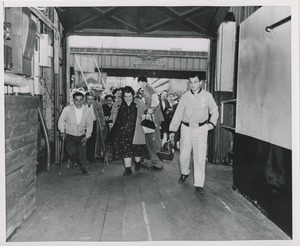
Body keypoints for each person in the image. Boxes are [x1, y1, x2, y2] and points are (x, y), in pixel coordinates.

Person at [169, 74, 219, 194]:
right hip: (186, 128)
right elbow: (178, 114)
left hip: (200, 129)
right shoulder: (185, 97)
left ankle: (199, 183)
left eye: (195, 82)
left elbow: (215, 111)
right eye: (191, 82)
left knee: (199, 156)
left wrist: (211, 124)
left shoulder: (207, 96)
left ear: (200, 82)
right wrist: (172, 130)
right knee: (184, 155)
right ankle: (184, 172)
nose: (193, 85)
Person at [108, 86, 150, 176]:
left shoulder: (139, 103)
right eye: (125, 96)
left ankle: (138, 163)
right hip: (122, 131)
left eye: (129, 96)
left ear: (133, 95)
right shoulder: (117, 104)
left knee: (137, 151)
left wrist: (148, 108)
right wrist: (111, 122)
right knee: (125, 150)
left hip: (136, 131)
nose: (127, 98)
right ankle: (128, 169)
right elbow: (113, 114)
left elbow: (146, 112)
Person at [58, 91, 94, 175]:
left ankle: (84, 169)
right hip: (69, 135)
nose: (79, 102)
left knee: (82, 154)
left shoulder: (87, 111)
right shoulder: (67, 109)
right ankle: (75, 161)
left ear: (83, 100)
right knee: (72, 152)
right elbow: (61, 121)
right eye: (76, 100)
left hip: (81, 135)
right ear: (73, 100)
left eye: (81, 100)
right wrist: (62, 131)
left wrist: (87, 136)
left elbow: (90, 124)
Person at [137, 75, 164, 170]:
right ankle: (152, 162)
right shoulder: (149, 89)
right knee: (150, 140)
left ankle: (157, 163)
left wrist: (148, 110)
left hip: (152, 118)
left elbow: (154, 103)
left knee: (153, 140)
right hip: (154, 118)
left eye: (139, 83)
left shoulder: (147, 89)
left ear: (141, 82)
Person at [85, 92, 105, 163]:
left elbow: (101, 115)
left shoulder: (97, 104)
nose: (90, 101)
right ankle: (85, 157)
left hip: (94, 123)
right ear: (85, 99)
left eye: (91, 99)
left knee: (93, 140)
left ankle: (91, 157)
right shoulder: (82, 105)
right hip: (84, 124)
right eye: (88, 99)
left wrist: (102, 125)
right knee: (85, 140)